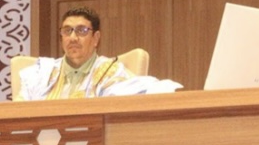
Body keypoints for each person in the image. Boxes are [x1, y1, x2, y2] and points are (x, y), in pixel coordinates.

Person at [15, 6, 181, 100]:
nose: (73, 38)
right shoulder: (41, 74)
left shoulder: (110, 72)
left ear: (96, 38)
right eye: (67, 31)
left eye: (81, 30)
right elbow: (18, 111)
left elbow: (149, 89)